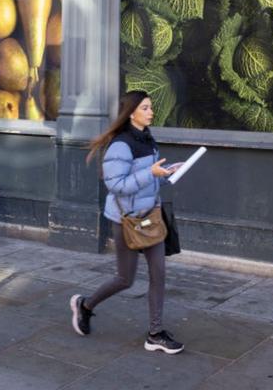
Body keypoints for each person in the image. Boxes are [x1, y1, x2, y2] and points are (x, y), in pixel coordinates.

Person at [70, 90, 184, 354]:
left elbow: (149, 179)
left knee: (159, 274)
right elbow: (116, 185)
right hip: (126, 222)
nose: (151, 112)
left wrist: (166, 174)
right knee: (125, 279)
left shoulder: (148, 139)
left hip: (150, 218)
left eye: (151, 107)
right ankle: (85, 305)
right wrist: (150, 173)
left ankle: (155, 334)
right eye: (145, 108)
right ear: (131, 112)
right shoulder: (121, 145)